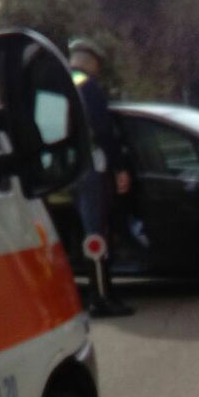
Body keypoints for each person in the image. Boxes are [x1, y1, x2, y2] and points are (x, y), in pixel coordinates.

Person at [46, 38, 136, 318]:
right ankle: (102, 298)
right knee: (96, 235)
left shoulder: (55, 84)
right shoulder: (88, 86)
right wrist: (120, 168)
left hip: (59, 173)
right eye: (96, 63)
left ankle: (69, 298)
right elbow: (104, 131)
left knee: (66, 237)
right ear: (90, 61)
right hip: (89, 171)